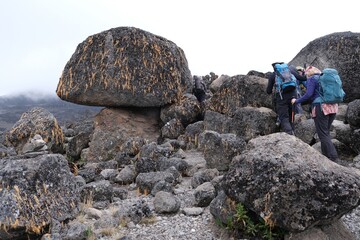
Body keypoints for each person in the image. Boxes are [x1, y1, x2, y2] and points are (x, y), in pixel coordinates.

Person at [291, 66, 339, 161]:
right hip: (333, 107)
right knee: (325, 132)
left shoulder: (312, 79)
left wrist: (296, 101)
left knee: (323, 134)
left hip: (321, 107)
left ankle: (333, 157)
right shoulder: (323, 78)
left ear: (308, 73)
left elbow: (309, 94)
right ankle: (326, 156)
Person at [266, 63, 297, 135]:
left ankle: (290, 135)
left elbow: (268, 91)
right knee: (291, 116)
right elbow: (299, 78)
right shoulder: (289, 72)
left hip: (282, 98)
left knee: (284, 118)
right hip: (293, 96)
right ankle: (293, 133)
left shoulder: (273, 75)